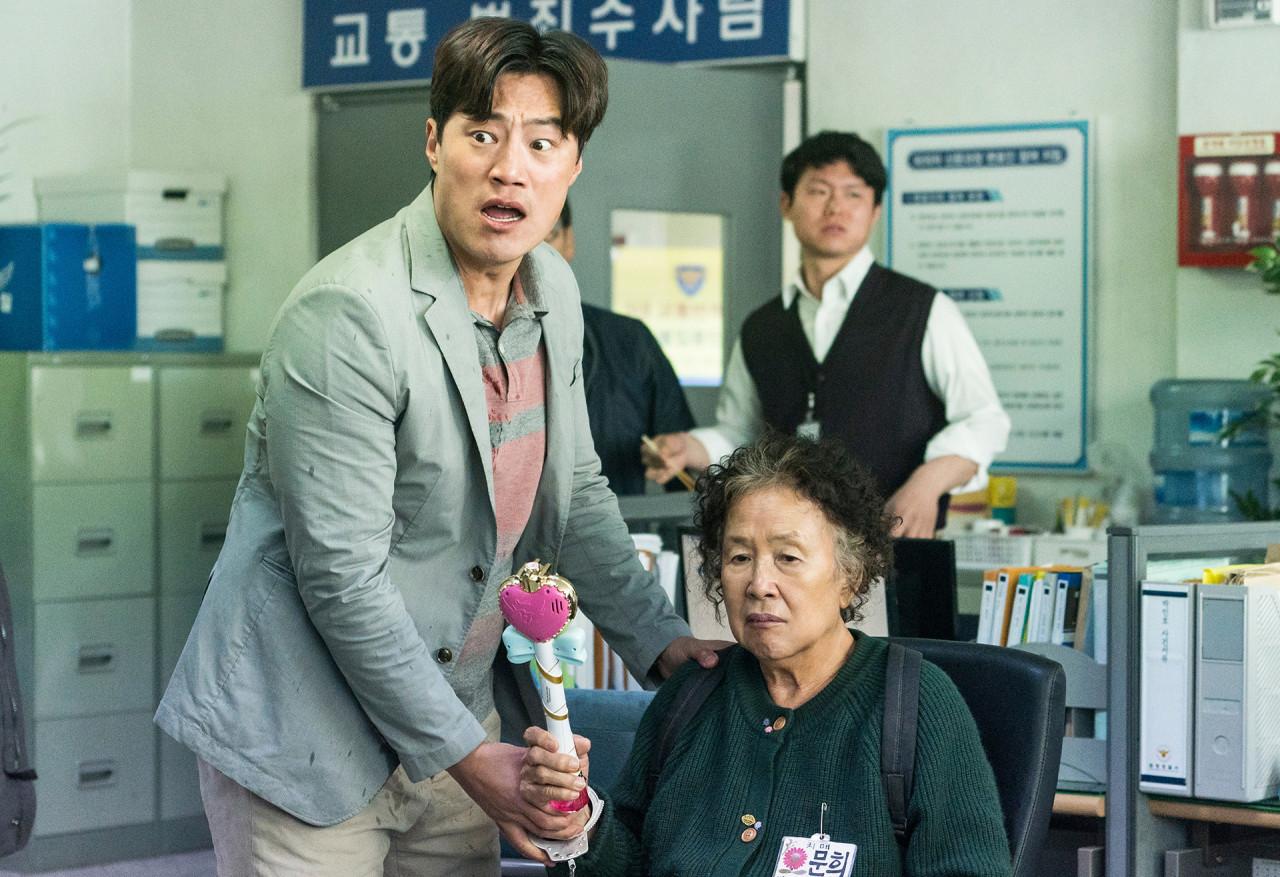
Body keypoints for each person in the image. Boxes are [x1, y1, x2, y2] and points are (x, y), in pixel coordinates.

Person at [155, 18, 721, 876]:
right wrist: (469, 754)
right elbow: (341, 577)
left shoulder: (554, 290)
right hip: (304, 729)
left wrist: (662, 639)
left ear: (573, 165)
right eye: (483, 134)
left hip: (454, 709)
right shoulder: (348, 313)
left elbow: (572, 489)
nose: (509, 167)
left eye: (542, 142)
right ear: (434, 142)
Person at [520, 435, 1014, 876]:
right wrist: (580, 823)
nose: (759, 584)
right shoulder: (690, 696)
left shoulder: (917, 707)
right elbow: (627, 858)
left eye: (788, 557)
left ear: (851, 576)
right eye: (739, 557)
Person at [644, 131, 1010, 538]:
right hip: (789, 547)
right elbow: (740, 435)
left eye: (854, 194)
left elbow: (983, 418)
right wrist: (688, 448)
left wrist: (927, 483)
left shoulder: (922, 310)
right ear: (786, 204)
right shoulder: (762, 327)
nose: (836, 207)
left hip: (894, 542)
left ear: (875, 211)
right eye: (819, 191)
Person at [544, 199, 696, 495]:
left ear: (568, 241)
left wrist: (671, 454)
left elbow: (685, 477)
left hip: (620, 522)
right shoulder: (464, 345)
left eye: (549, 235)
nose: (536, 253)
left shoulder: (630, 342)